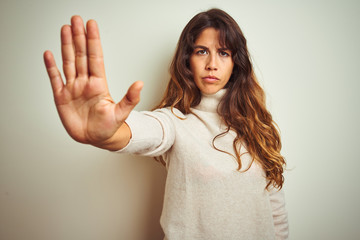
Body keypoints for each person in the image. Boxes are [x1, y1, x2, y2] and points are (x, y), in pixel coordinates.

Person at [44, 8, 288, 240]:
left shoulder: (258, 125)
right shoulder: (174, 122)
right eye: (201, 51)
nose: (212, 63)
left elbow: (275, 210)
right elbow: (144, 130)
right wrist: (106, 134)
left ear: (237, 63)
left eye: (223, 53)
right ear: (187, 61)